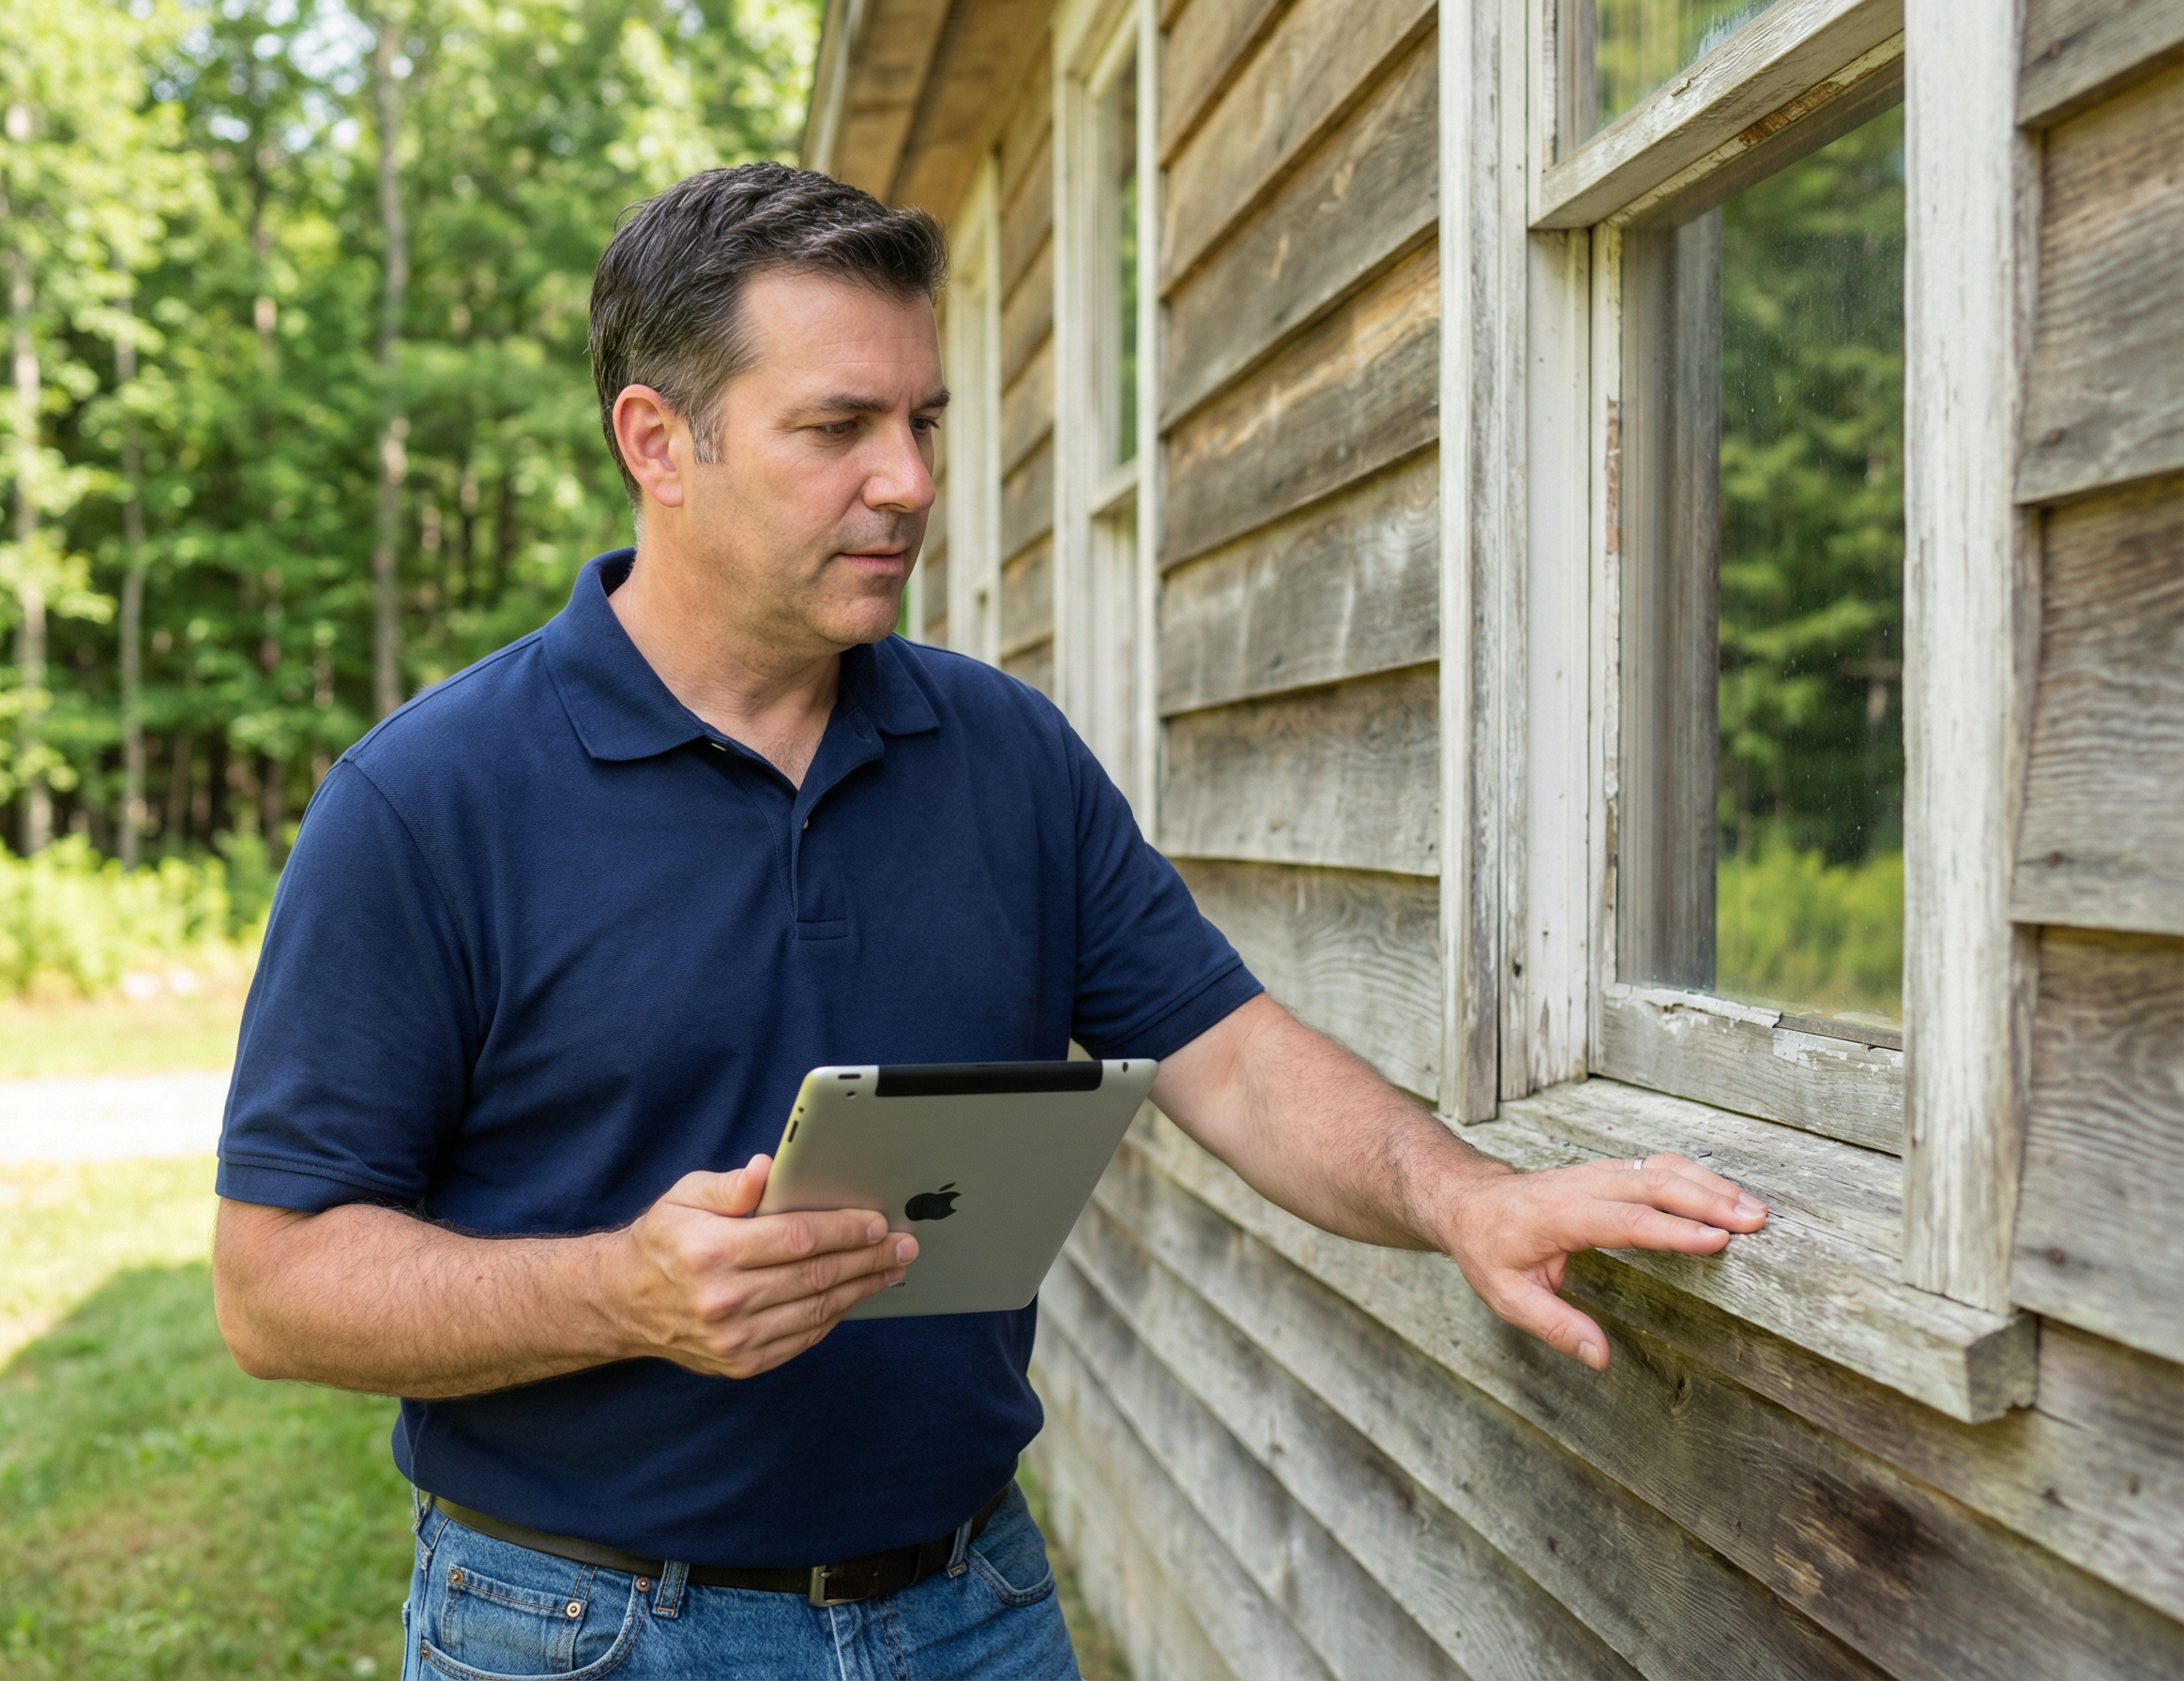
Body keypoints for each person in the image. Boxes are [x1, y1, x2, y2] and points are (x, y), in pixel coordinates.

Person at [210, 162, 1766, 1681]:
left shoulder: (1005, 753)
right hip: (584, 1626)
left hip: (969, 1605)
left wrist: (1461, 1198)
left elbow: (1225, 1054)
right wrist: (619, 1289)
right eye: (837, 428)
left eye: (924, 421)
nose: (910, 480)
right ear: (658, 443)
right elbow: (275, 1284)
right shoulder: (425, 803)